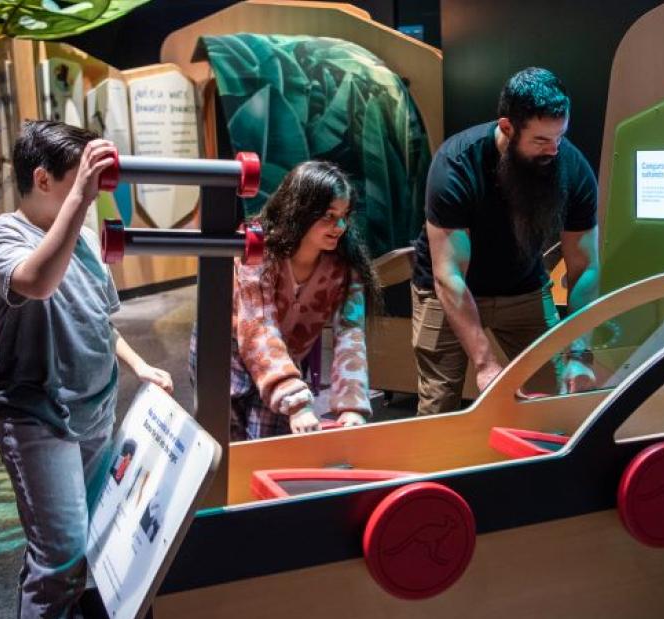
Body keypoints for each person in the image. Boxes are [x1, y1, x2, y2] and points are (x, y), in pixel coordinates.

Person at [0, 120, 174, 618]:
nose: (91, 190)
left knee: (86, 540)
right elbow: (36, 282)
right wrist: (80, 200)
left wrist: (139, 364)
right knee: (60, 554)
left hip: (93, 409)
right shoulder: (2, 234)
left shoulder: (83, 239)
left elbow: (98, 322)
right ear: (43, 180)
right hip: (36, 415)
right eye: (80, 176)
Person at [410, 67, 601, 416]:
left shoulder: (571, 167)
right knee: (440, 406)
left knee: (553, 397)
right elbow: (448, 274)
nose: (554, 150)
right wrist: (484, 364)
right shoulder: (456, 164)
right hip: (451, 290)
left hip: (524, 287)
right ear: (507, 128)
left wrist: (579, 354)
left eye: (560, 137)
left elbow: (584, 266)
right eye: (541, 140)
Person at [225, 160, 379, 439]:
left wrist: (351, 405)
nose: (340, 226)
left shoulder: (345, 266)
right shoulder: (258, 249)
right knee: (227, 444)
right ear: (299, 211)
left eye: (344, 215)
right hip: (228, 353)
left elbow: (351, 334)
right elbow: (257, 327)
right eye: (328, 217)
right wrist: (295, 401)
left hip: (282, 359)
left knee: (270, 444)